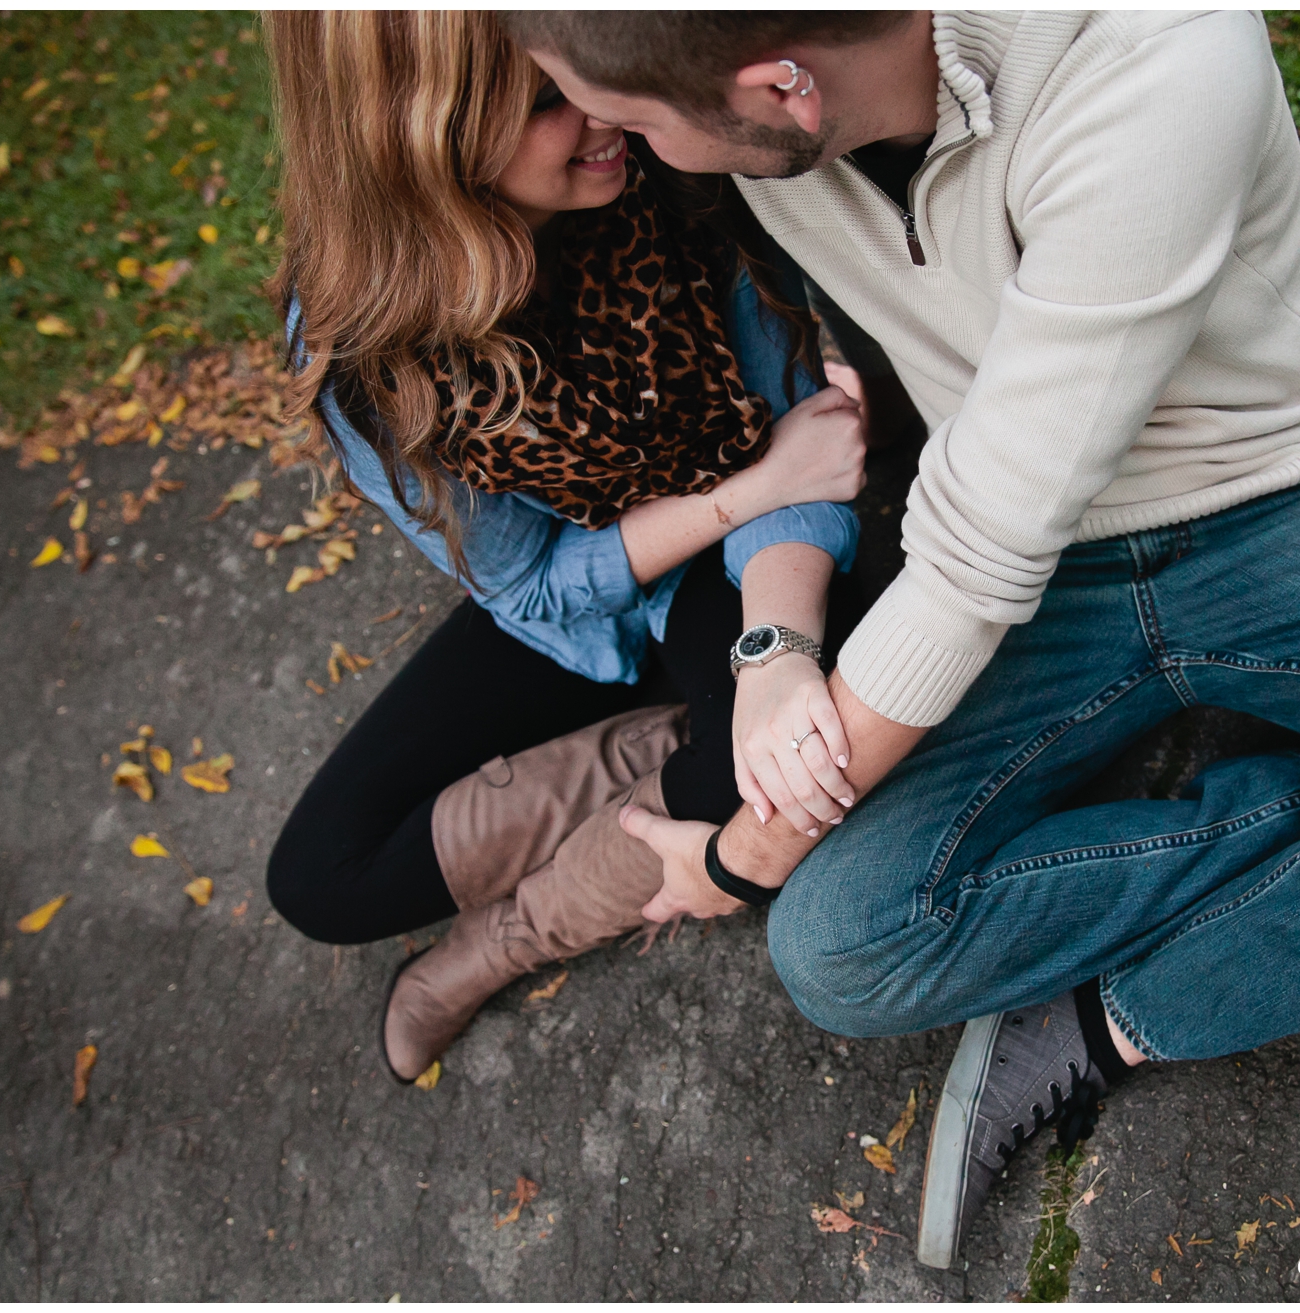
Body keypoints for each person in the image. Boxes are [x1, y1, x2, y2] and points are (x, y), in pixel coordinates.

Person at [506, 9, 1300, 1268]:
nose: (618, 139)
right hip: (1043, 581)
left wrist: (729, 859)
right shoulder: (747, 110)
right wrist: (773, 649)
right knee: (842, 950)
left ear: (784, 89)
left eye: (641, 121)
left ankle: (1106, 1022)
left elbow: (978, 551)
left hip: (1266, 504)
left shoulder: (1156, 47)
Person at [258, 12, 874, 1086]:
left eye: (577, 74)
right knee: (321, 880)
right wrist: (746, 489)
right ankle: (671, 750)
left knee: (776, 781)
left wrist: (773, 647)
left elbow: (807, 450)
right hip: (589, 604)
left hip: (729, 580)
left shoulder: (672, 168)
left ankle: (502, 943)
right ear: (422, 142)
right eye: (546, 101)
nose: (601, 113)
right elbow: (534, 585)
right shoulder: (372, 347)